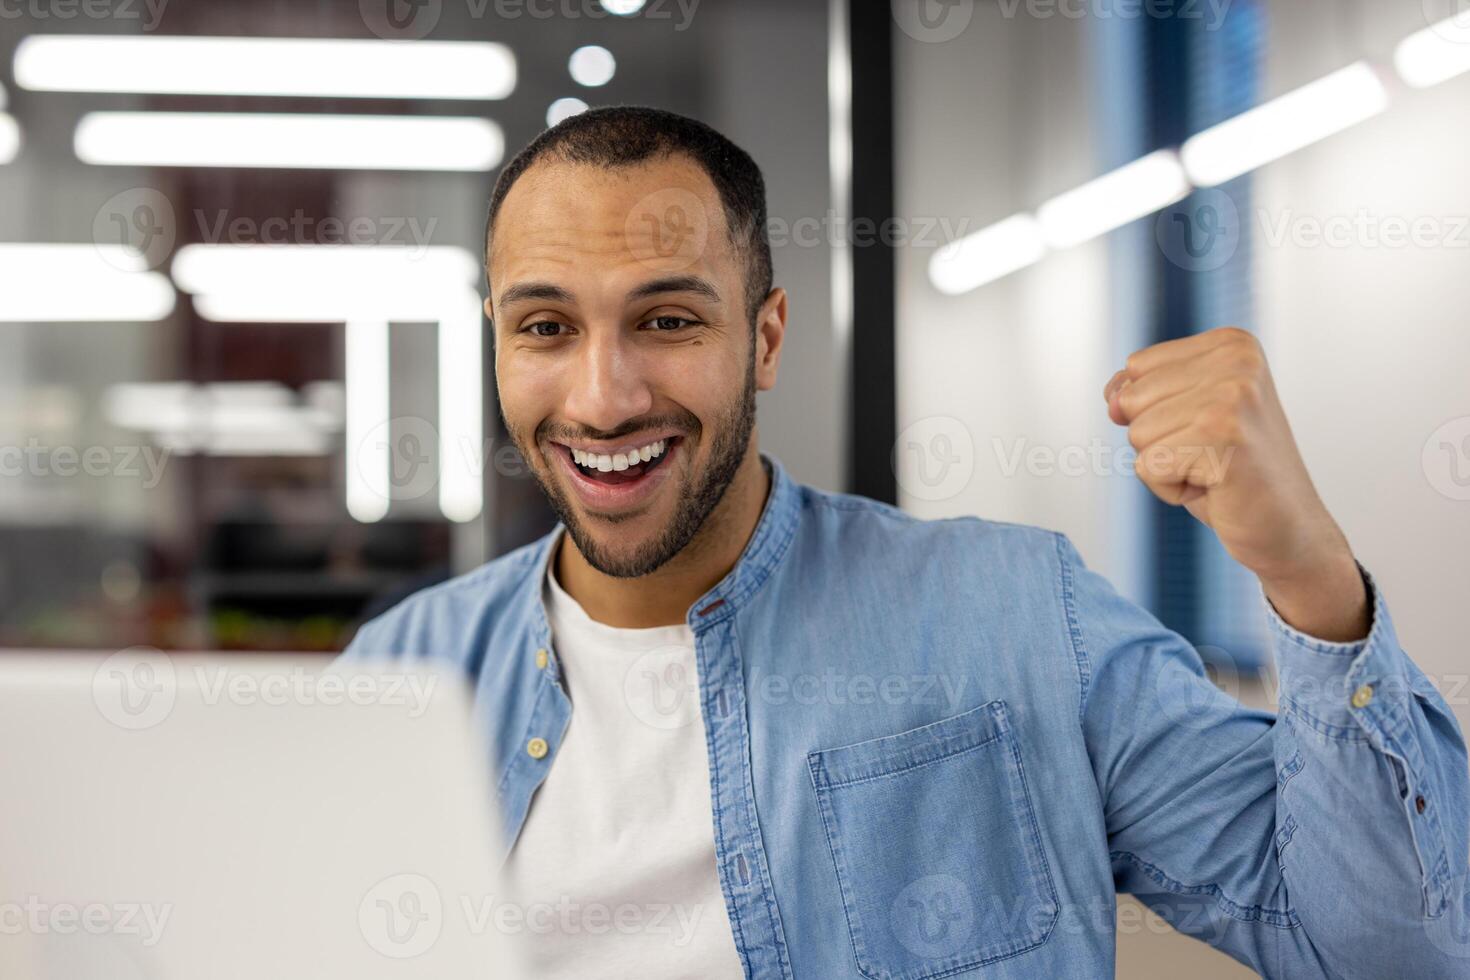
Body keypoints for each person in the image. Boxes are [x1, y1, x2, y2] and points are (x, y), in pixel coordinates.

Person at [342, 106, 1469, 979]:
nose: (602, 395)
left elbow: (1384, 950)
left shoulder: (1019, 613)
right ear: (496, 343)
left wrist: (1308, 572)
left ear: (765, 336)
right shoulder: (399, 676)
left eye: (668, 319)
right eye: (546, 327)